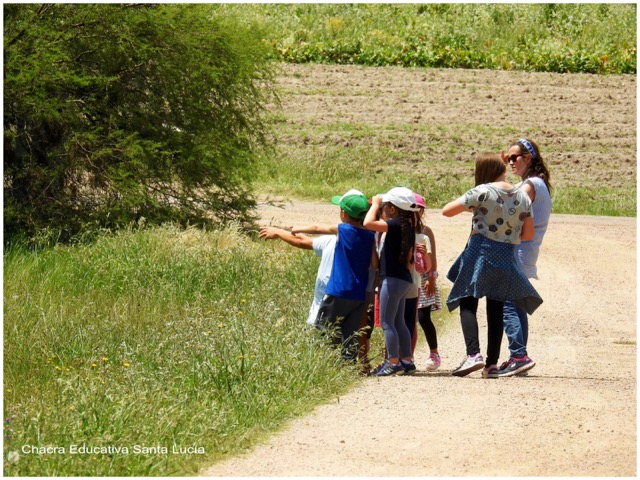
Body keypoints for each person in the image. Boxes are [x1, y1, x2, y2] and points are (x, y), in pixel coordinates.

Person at [442, 153, 543, 378]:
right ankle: (491, 365)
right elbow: (527, 234)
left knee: (467, 300)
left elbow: (446, 211)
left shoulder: (482, 191)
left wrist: (475, 207)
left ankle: (473, 355)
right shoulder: (522, 195)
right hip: (506, 255)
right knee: (495, 306)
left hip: (479, 251)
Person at [291, 189, 376, 364]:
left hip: (337, 290)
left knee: (324, 329)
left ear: (343, 213)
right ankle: (348, 364)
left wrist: (297, 228)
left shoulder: (342, 229)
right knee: (350, 332)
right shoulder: (370, 236)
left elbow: (316, 228)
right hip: (358, 294)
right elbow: (375, 264)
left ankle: (321, 363)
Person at [497, 138, 553, 376]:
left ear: (528, 158)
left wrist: (498, 178)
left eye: (514, 158)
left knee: (509, 305)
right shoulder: (535, 183)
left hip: (518, 251)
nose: (510, 162)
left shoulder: (530, 185)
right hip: (525, 251)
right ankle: (520, 356)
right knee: (517, 306)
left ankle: (518, 355)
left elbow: (508, 209)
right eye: (507, 159)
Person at [363, 186, 421, 376]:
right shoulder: (408, 228)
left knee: (387, 322)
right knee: (399, 322)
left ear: (393, 209)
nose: (382, 210)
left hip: (392, 281)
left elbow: (368, 223)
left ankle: (392, 362)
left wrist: (376, 203)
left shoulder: (395, 225)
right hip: (404, 281)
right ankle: (406, 360)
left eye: (385, 207)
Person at [258, 226, 335, 327]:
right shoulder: (362, 242)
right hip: (356, 302)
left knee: (318, 337)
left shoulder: (333, 241)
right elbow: (302, 239)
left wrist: (278, 232)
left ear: (343, 214)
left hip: (326, 301)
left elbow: (302, 241)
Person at [414, 193, 443, 371]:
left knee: (424, 317)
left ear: (422, 210)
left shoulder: (426, 231)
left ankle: (434, 353)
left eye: (417, 209)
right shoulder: (402, 230)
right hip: (409, 279)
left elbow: (433, 256)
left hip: (424, 279)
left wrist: (432, 278)